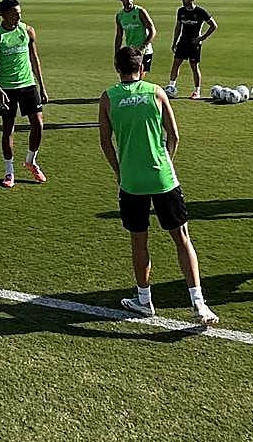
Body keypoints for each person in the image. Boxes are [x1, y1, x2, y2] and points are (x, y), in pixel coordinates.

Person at [99, 46, 219, 325]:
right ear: (142, 68)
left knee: (139, 242)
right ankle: (198, 304)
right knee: (182, 239)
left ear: (117, 68)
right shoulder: (156, 92)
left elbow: (106, 142)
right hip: (163, 178)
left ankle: (144, 301)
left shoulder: (108, 98)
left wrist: (120, 172)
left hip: (131, 182)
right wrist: (166, 162)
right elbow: (174, 136)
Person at [0, 0, 48, 188]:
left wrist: (42, 86)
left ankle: (31, 161)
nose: (18, 17)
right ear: (2, 14)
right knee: (8, 130)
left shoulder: (27, 31)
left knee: (38, 125)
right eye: (14, 13)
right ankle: (9, 171)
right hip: (7, 88)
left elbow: (34, 58)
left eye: (20, 13)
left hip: (28, 84)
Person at [167, 0, 216, 100]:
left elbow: (213, 25)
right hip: (182, 42)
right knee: (176, 63)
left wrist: (201, 38)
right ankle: (171, 87)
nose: (183, 1)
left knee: (194, 66)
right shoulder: (181, 11)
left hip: (194, 44)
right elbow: (178, 27)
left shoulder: (200, 12)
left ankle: (197, 91)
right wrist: (174, 42)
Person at [115, 0, 156, 78]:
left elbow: (152, 30)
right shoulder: (120, 16)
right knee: (129, 78)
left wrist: (143, 47)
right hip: (131, 52)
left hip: (144, 52)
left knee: (138, 79)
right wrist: (117, 53)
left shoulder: (140, 12)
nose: (129, 1)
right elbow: (119, 36)